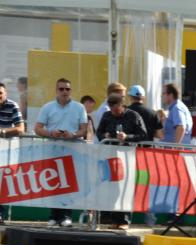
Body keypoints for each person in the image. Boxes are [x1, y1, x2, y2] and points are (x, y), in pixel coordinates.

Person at [34, 78, 88, 227]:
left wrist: (73, 135)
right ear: (56, 90)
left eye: (67, 89)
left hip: (73, 151)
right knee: (54, 184)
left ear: (71, 91)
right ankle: (54, 215)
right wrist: (51, 132)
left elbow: (84, 129)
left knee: (68, 184)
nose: (64, 92)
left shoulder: (79, 107)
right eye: (61, 89)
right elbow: (37, 128)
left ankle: (66, 216)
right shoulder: (47, 107)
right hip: (53, 150)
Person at [95, 93, 147, 229]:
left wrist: (127, 137)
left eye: (116, 109)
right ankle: (114, 220)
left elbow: (143, 134)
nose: (114, 112)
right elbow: (98, 132)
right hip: (111, 156)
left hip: (127, 156)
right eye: (112, 110)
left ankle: (124, 221)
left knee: (125, 188)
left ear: (122, 105)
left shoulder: (133, 116)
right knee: (113, 188)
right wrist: (104, 135)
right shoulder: (107, 116)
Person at [0, 82, 25, 224]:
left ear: (5, 94)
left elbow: (21, 128)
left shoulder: (12, 106)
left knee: (3, 184)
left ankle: (0, 214)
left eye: (0, 93)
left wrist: (2, 132)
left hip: (6, 153)